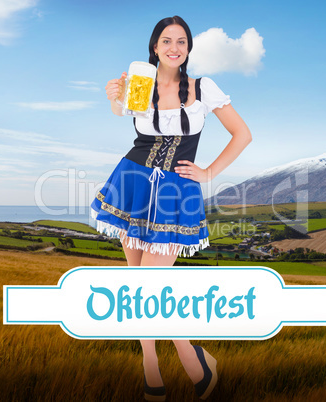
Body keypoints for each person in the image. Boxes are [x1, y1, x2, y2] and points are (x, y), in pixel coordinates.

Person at [91, 15, 252, 401]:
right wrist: (114, 97)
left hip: (175, 193)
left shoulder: (202, 88)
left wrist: (208, 172)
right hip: (132, 181)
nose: (174, 48)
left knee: (152, 284)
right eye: (167, 41)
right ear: (154, 46)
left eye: (181, 42)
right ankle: (151, 365)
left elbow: (242, 134)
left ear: (188, 48)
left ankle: (188, 355)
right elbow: (121, 115)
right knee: (137, 282)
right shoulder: (139, 84)